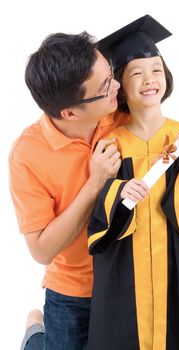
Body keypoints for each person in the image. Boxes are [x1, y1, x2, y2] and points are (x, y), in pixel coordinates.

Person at [87, 15, 179, 350]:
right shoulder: (111, 143)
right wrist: (117, 192)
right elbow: (97, 209)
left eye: (156, 70)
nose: (149, 80)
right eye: (137, 72)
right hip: (122, 274)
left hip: (173, 268)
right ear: (120, 85)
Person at [9, 32, 127, 350]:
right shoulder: (27, 154)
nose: (118, 86)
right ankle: (36, 331)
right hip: (72, 292)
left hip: (126, 278)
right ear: (70, 113)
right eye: (105, 87)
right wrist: (95, 183)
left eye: (111, 74)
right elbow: (41, 250)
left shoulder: (121, 114)